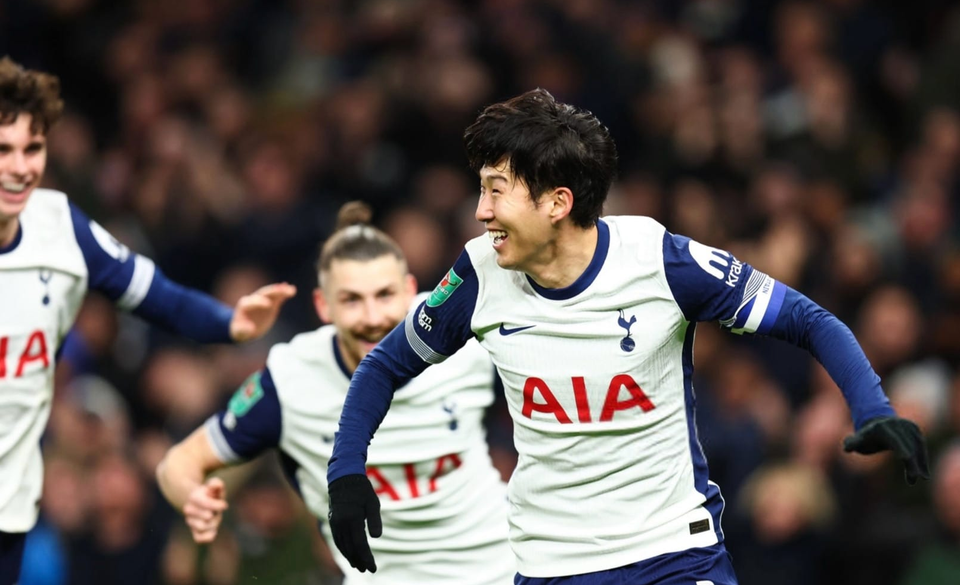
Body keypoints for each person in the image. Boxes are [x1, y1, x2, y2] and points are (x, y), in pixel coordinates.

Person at [326, 89, 930, 584]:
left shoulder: (660, 262)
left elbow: (808, 319)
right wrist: (346, 472)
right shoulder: (478, 274)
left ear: (557, 202)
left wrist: (871, 405)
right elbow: (384, 367)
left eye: (495, 190)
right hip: (550, 565)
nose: (481, 211)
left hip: (673, 553)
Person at [0, 56, 294, 584]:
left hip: (11, 508)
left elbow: (157, 296)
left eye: (33, 149)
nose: (22, 167)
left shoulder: (60, 226)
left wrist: (231, 324)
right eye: (4, 150)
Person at [155, 202, 513, 585]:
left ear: (411, 291)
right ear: (323, 306)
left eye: (385, 295)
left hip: (502, 570)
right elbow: (178, 463)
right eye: (351, 300)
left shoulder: (463, 339)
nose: (373, 317)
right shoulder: (290, 379)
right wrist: (192, 499)